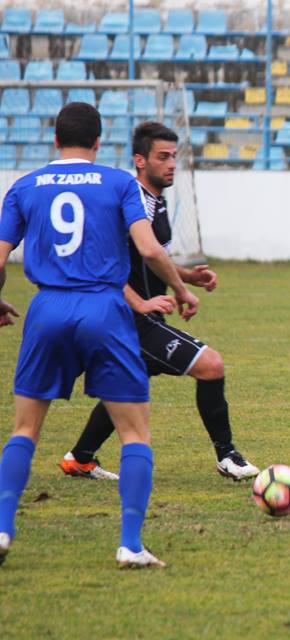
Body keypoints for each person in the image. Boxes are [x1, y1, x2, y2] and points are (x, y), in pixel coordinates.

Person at [0, 103, 200, 568]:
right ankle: (130, 544)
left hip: (47, 307)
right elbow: (148, 248)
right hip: (105, 310)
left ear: (54, 140)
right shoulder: (117, 182)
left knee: (25, 429)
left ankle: (4, 528)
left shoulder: (25, 186)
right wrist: (180, 287)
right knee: (135, 433)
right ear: (97, 143)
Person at [58, 121, 259, 482]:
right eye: (163, 157)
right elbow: (103, 267)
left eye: (174, 157)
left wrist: (187, 277)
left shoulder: (156, 203)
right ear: (140, 160)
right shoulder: (127, 201)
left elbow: (154, 259)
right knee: (210, 365)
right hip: (131, 321)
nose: (171, 165)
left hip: (145, 318)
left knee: (129, 383)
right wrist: (145, 302)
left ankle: (80, 457)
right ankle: (227, 455)